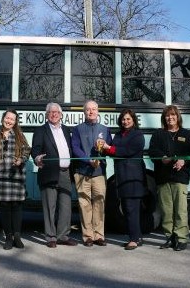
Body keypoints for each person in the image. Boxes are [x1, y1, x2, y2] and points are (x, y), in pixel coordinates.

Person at [149, 105, 190, 251]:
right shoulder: (158, 134)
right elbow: (152, 152)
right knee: (166, 210)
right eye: (167, 116)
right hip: (162, 178)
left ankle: (182, 238)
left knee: (180, 210)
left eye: (173, 115)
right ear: (164, 118)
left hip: (180, 178)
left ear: (178, 117)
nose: (170, 118)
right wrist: (161, 158)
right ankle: (169, 237)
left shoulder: (187, 134)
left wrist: (184, 161)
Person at [98, 109, 147, 250]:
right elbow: (114, 150)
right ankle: (136, 236)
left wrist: (110, 148)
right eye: (123, 119)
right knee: (127, 209)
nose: (125, 122)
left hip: (133, 177)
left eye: (128, 119)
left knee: (132, 208)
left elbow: (127, 151)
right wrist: (103, 147)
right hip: (122, 176)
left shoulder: (138, 134)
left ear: (133, 120)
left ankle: (134, 239)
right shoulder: (119, 134)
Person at [31, 102, 77, 248]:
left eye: (57, 112)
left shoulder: (66, 129)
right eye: (51, 112)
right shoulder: (40, 130)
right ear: (46, 115)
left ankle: (63, 236)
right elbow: (36, 150)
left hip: (65, 173)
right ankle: (51, 237)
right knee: (49, 206)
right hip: (49, 172)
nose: (54, 114)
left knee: (66, 206)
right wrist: (37, 158)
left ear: (61, 114)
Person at [0, 109, 30, 250]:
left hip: (16, 177)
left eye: (12, 119)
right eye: (7, 118)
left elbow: (27, 152)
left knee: (16, 206)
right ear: (3, 118)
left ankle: (17, 236)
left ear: (15, 122)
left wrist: (21, 160)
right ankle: (9, 237)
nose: (9, 121)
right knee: (5, 208)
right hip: (1, 178)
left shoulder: (20, 136)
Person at [71, 100, 112, 247]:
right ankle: (88, 236)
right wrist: (89, 160)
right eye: (88, 110)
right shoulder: (77, 129)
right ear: (84, 112)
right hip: (82, 172)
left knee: (99, 203)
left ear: (98, 111)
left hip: (99, 173)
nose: (91, 112)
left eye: (94, 109)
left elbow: (109, 148)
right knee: (84, 204)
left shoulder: (105, 129)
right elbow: (75, 148)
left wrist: (104, 149)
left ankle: (99, 235)